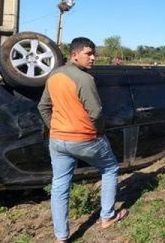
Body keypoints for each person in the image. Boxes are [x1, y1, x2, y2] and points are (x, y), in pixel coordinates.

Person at [38, 37, 127, 242]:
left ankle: (61, 237)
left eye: (94, 53)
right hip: (84, 138)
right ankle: (107, 216)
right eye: (88, 53)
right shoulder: (85, 79)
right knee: (110, 168)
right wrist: (100, 132)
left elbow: (42, 106)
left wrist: (55, 126)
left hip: (57, 140)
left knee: (60, 185)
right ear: (74, 54)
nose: (93, 58)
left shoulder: (54, 75)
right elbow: (95, 112)